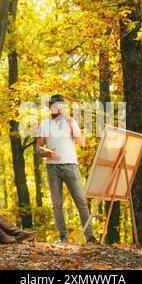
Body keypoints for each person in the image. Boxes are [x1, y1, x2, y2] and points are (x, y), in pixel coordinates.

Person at [37, 94, 99, 244]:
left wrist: (71, 124)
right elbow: (38, 149)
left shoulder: (71, 122)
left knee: (80, 202)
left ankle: (89, 236)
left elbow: (82, 143)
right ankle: (62, 237)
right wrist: (47, 153)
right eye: (54, 105)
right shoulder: (44, 125)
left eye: (59, 105)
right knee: (57, 204)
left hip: (71, 166)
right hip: (53, 168)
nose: (57, 107)